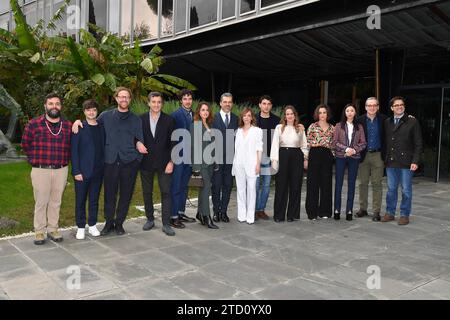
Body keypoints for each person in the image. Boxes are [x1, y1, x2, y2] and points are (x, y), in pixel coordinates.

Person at [72, 87, 148, 236]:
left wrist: (136, 160)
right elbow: (91, 123)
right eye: (121, 97)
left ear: (130, 100)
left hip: (129, 162)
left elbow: (140, 140)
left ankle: (119, 223)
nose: (124, 99)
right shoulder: (105, 116)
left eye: (126, 97)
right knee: (109, 194)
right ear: (116, 98)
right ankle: (108, 222)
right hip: (109, 161)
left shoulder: (135, 119)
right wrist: (77, 122)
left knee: (126, 194)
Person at [21, 93, 72, 245]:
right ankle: (39, 231)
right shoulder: (34, 124)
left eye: (57, 103)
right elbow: (25, 144)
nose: (54, 106)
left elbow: (73, 145)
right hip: (40, 169)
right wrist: (35, 159)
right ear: (45, 105)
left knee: (56, 201)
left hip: (61, 169)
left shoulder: (68, 125)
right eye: (51, 103)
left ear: (61, 106)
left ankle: (53, 229)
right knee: (41, 201)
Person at [140, 92, 176, 236]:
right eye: (153, 102)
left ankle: (166, 223)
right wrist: (137, 143)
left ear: (162, 104)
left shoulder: (169, 120)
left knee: (166, 192)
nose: (156, 104)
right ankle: (149, 219)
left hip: (164, 162)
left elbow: (174, 142)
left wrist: (171, 161)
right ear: (148, 103)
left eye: (159, 102)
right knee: (147, 192)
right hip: (145, 162)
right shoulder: (140, 119)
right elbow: (135, 137)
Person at [382, 96, 423, 225]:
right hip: (391, 161)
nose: (399, 107)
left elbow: (418, 143)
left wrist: (415, 161)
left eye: (401, 104)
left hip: (406, 162)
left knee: (406, 189)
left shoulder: (412, 122)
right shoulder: (387, 122)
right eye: (396, 105)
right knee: (391, 189)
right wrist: (385, 158)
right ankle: (390, 213)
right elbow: (385, 141)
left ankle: (404, 214)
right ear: (392, 108)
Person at [71, 99, 104, 240]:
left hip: (98, 170)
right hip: (82, 172)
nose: (91, 112)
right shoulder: (79, 128)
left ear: (97, 111)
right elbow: (74, 151)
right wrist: (76, 171)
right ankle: (80, 226)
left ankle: (92, 224)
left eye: (94, 110)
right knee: (80, 200)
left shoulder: (102, 127)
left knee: (94, 199)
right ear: (84, 112)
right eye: (88, 110)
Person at [270, 105, 309, 222]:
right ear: (285, 116)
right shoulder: (279, 128)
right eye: (287, 114)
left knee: (295, 185)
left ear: (294, 115)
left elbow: (304, 145)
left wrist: (305, 158)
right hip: (283, 155)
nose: (289, 116)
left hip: (297, 156)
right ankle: (279, 215)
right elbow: (275, 145)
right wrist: (274, 161)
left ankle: (292, 215)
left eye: (291, 114)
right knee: (281, 186)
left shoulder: (300, 128)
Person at [332, 103, 367, 221]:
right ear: (345, 113)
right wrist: (346, 149)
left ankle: (349, 210)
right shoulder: (338, 126)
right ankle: (336, 210)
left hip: (354, 158)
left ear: (355, 112)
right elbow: (334, 142)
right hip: (341, 157)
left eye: (352, 110)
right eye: (347, 111)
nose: (350, 113)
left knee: (352, 184)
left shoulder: (359, 127)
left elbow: (363, 143)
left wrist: (354, 150)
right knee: (338, 183)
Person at [355, 97, 387, 221]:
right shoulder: (359, 120)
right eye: (369, 105)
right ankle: (363, 209)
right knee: (362, 183)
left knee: (377, 183)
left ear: (378, 107)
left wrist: (409, 117)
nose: (372, 107)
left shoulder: (384, 120)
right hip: (363, 155)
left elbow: (397, 123)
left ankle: (376, 211)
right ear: (365, 107)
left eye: (374, 105)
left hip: (378, 155)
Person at [170, 89, 196, 228]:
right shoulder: (175, 115)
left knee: (184, 185)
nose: (187, 101)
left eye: (190, 98)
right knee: (176, 186)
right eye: (185, 98)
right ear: (181, 100)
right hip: (178, 156)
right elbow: (171, 138)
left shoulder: (194, 115)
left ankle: (180, 212)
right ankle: (173, 216)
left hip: (189, 157)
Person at [232, 108, 263, 224]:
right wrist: (234, 164)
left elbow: (259, 149)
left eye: (248, 115)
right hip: (239, 164)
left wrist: (258, 164)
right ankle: (241, 215)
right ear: (242, 117)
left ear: (252, 117)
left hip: (252, 164)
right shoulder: (238, 131)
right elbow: (236, 149)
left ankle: (250, 216)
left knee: (251, 190)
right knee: (240, 190)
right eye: (244, 115)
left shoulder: (257, 131)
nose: (246, 117)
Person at [190, 102, 219, 229]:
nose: (205, 112)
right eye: (203, 110)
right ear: (198, 112)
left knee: (203, 189)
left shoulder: (210, 125)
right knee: (207, 188)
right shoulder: (195, 125)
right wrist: (195, 167)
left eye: (207, 110)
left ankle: (199, 213)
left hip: (211, 163)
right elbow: (194, 147)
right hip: (201, 164)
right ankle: (207, 217)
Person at [211, 93, 239, 223]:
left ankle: (224, 212)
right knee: (216, 186)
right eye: (225, 102)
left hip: (231, 160)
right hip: (216, 159)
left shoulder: (236, 119)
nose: (227, 104)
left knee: (227, 186)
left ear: (232, 104)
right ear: (220, 103)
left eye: (230, 102)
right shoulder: (213, 119)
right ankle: (216, 212)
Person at [305, 104, 335, 220]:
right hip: (314, 155)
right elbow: (307, 144)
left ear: (328, 114)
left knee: (326, 184)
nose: (322, 115)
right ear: (317, 114)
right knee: (313, 184)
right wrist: (306, 159)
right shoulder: (312, 126)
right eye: (320, 112)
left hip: (327, 157)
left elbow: (333, 145)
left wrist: (333, 156)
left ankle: (325, 211)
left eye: (324, 112)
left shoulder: (333, 128)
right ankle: (312, 212)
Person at [255, 95, 280, 220]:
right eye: (264, 103)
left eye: (268, 104)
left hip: (269, 156)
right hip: (255, 156)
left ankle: (261, 209)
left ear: (271, 106)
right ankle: (253, 209)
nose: (266, 106)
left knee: (266, 185)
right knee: (255, 184)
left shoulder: (276, 120)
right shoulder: (253, 118)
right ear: (260, 105)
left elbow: (285, 130)